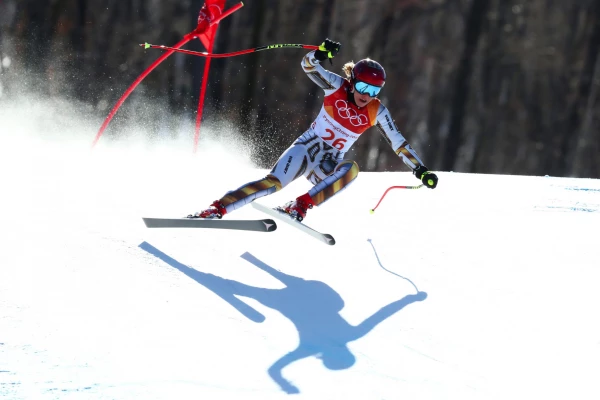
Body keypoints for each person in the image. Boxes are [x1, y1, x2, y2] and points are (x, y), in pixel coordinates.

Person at [190, 39, 438, 221]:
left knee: (351, 170)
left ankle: (299, 206)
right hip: (305, 150)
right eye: (363, 87)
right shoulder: (337, 86)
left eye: (375, 91)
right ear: (353, 82)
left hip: (327, 164)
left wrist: (420, 169)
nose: (366, 95)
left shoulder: (377, 111)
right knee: (272, 184)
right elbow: (308, 66)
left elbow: (399, 143)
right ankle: (217, 208)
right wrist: (319, 53)